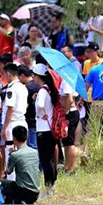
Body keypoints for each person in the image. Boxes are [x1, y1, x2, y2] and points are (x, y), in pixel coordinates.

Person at [32, 63, 59, 192]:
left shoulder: (43, 90)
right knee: (50, 158)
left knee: (45, 159)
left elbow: (41, 105)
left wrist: (40, 113)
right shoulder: (50, 88)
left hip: (43, 128)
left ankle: (49, 187)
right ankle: (52, 184)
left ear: (38, 76)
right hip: (51, 129)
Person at [0, 64, 28, 179]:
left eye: (4, 74)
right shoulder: (23, 87)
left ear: (8, 74)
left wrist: (5, 127)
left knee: (11, 152)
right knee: (22, 152)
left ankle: (12, 180)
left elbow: (10, 108)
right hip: (22, 121)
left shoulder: (12, 88)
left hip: (13, 123)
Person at [0, 126, 40, 204]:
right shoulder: (34, 152)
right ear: (26, 137)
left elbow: (8, 171)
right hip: (36, 191)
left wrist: (11, 154)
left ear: (14, 139)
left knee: (3, 183)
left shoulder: (15, 155)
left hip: (24, 192)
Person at [59, 79, 80, 174]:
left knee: (69, 142)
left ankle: (70, 167)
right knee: (66, 142)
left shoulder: (66, 81)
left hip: (70, 113)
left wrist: (65, 112)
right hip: (69, 112)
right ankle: (67, 166)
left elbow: (70, 98)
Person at [18, 65, 40, 150]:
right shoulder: (38, 84)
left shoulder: (27, 88)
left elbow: (25, 105)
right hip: (39, 120)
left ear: (22, 76)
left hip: (30, 120)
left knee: (32, 146)